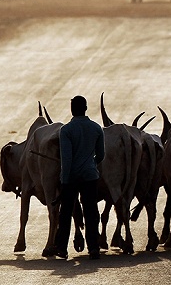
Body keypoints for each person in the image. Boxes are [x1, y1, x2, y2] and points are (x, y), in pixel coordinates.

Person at [49, 96, 105, 260]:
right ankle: (93, 248)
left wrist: (64, 181)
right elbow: (101, 154)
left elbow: (66, 159)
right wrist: (91, 165)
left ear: (72, 109)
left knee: (65, 213)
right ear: (86, 108)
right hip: (90, 176)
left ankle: (62, 248)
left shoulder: (66, 130)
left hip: (71, 177)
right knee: (91, 211)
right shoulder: (96, 128)